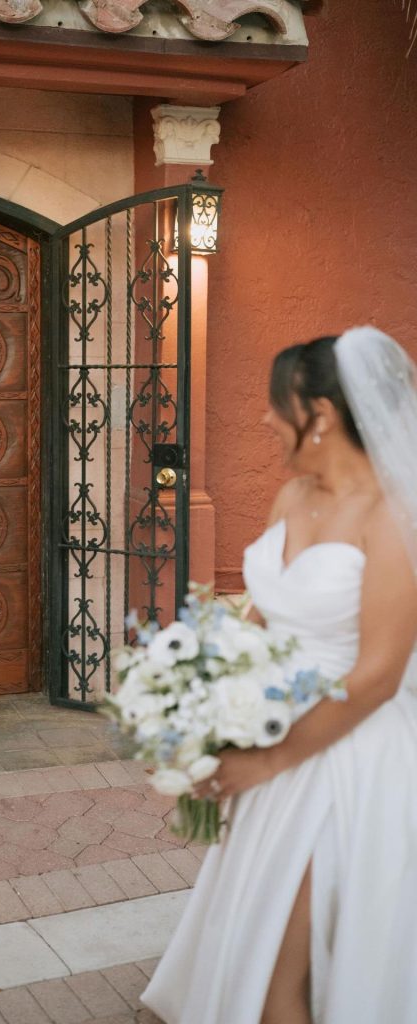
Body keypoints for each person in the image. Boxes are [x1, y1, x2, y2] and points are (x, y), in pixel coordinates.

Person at [141, 327, 417, 1023]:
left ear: (320, 414)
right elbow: (261, 620)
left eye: (278, 404)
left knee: (280, 981)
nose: (266, 417)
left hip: (344, 759)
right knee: (259, 943)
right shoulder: (293, 498)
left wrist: (268, 762)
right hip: (269, 741)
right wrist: (200, 707)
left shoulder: (392, 518)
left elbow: (380, 674)